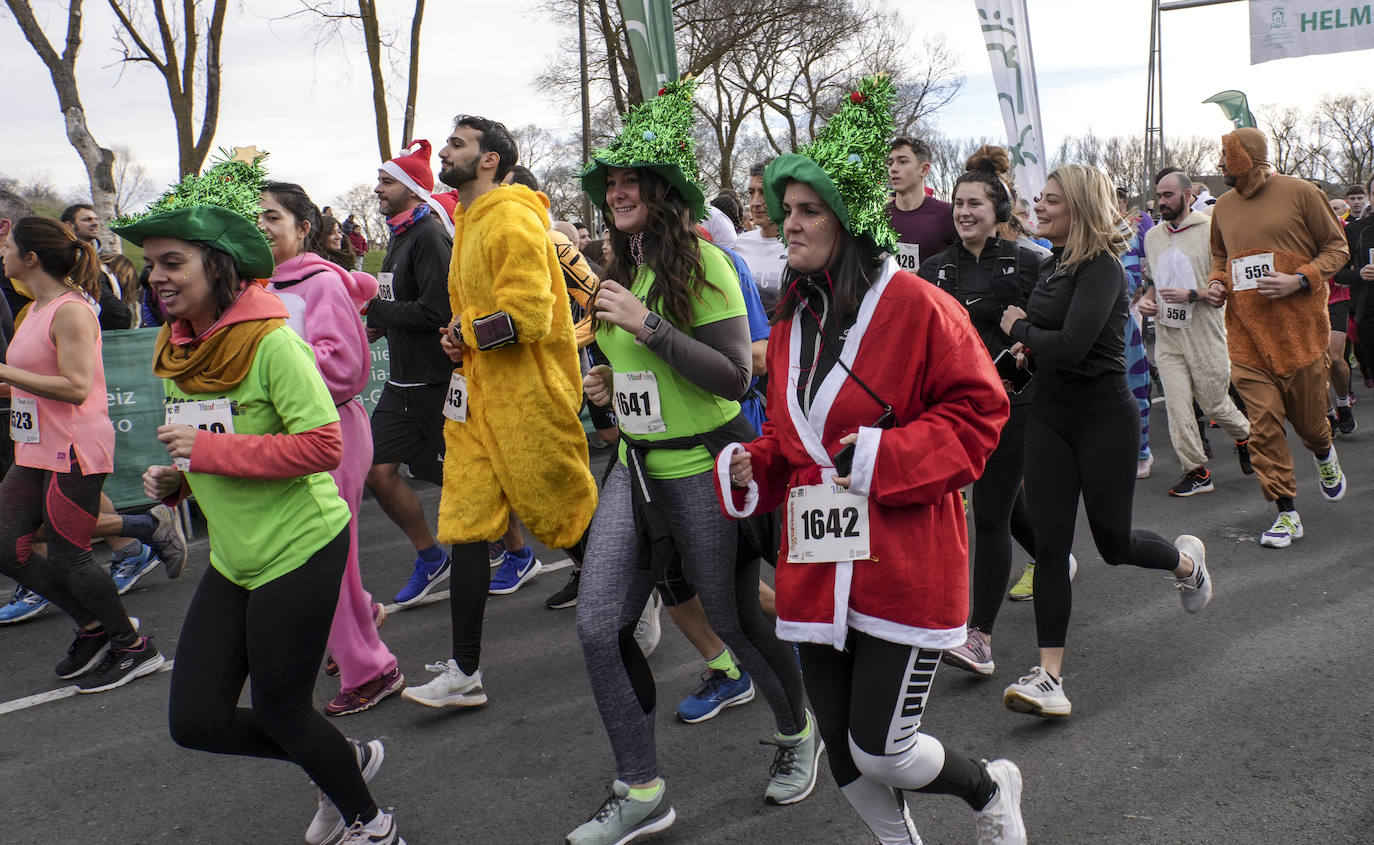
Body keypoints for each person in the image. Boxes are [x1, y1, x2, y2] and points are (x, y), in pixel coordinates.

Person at [721, 75, 1026, 845]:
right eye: (783, 208)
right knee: (847, 750)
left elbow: (981, 412)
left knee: (881, 744)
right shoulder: (793, 316)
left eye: (806, 210)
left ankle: (990, 787)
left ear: (848, 220)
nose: (786, 222)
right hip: (816, 562)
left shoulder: (922, 306)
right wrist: (755, 465)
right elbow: (799, 441)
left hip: (903, 554)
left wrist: (887, 453)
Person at [569, 78, 816, 845]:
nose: (616, 193)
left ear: (664, 190)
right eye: (609, 184)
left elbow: (732, 375)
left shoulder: (703, 267)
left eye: (630, 182)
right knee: (596, 622)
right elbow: (646, 381)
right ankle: (641, 788)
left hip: (708, 470)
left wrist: (645, 327)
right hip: (637, 471)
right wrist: (607, 387)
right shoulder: (618, 271)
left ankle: (796, 728)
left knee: (738, 623)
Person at [116, 203, 406, 845]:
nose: (156, 276)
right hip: (236, 554)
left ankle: (371, 824)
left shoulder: (272, 341)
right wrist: (178, 479)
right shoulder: (179, 346)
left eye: (172, 262)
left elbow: (322, 447)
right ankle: (339, 760)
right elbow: (212, 438)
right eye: (149, 265)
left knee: (281, 709)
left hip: (302, 543)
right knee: (196, 722)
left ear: (215, 266)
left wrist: (203, 453)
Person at [998, 164, 1214, 718]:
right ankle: (1049, 678)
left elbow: (1070, 345)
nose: (1038, 208)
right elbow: (1052, 347)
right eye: (1038, 200)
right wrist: (1027, 349)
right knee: (1049, 546)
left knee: (1114, 545)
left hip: (1104, 418)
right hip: (1048, 415)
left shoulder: (1102, 269)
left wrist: (1019, 329)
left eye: (1049, 201)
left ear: (1080, 208)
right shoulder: (1051, 266)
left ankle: (1187, 565)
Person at [401, 115, 598, 711]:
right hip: (475, 403)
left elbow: (531, 316)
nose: (449, 151)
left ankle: (635, 598)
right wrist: (457, 338)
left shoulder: (510, 215)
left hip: (529, 398)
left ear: (489, 159)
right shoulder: (466, 220)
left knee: (563, 514)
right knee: (464, 528)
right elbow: (475, 315)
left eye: (459, 144)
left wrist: (472, 334)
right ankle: (465, 672)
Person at [0, 215, 165, 692]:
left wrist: (7, 374)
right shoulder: (30, 310)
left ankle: (134, 648)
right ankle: (92, 629)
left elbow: (75, 387)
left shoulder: (72, 310)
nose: (2, 253)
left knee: (71, 553)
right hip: (35, 446)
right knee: (5, 543)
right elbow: (32, 379)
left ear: (30, 258)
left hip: (75, 445)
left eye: (8, 245)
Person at [260, 181, 403, 727]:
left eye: (273, 217)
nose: (262, 227)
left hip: (331, 432)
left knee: (326, 554)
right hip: (286, 436)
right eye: (254, 217)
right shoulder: (256, 285)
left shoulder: (319, 283)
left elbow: (345, 367)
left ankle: (370, 669)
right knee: (322, 552)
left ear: (304, 228)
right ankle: (359, 614)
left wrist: (269, 378)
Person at [916, 146, 1047, 677]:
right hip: (953, 409)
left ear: (998, 210)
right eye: (958, 203)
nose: (964, 212)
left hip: (1013, 404)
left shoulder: (1031, 263)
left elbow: (1050, 330)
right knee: (1003, 501)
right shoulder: (933, 270)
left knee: (990, 512)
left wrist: (1028, 353)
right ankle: (1052, 554)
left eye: (975, 203)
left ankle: (980, 637)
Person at [1204, 128, 1351, 549]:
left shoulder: (1301, 192)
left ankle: (1324, 454)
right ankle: (1286, 514)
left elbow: (1337, 249)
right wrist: (1217, 283)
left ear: (1245, 158)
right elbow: (1221, 257)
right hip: (1247, 335)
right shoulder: (1224, 207)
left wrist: (1299, 279)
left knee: (1308, 424)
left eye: (1225, 156)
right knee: (1264, 426)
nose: (1220, 165)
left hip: (1299, 331)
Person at [363, 140, 457, 605]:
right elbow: (401, 306)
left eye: (385, 182)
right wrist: (376, 325)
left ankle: (517, 551)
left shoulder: (430, 236)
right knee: (378, 471)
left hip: (437, 381)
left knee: (461, 476)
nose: (377, 189)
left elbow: (435, 310)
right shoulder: (398, 236)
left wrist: (375, 309)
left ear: (412, 189)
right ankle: (431, 557)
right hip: (400, 382)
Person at [1136, 170, 1253, 497]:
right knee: (1176, 405)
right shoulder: (1153, 237)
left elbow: (1225, 287)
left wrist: (1193, 295)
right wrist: (1147, 302)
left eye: (1168, 195)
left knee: (1215, 404)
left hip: (1205, 331)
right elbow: (1153, 284)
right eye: (1159, 196)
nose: (1162, 202)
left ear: (1188, 196)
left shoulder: (1211, 231)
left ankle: (1247, 436)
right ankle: (1196, 470)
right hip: (1167, 334)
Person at [887, 136, 957, 273]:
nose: (893, 169)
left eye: (902, 161)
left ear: (924, 170)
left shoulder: (947, 214)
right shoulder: (878, 217)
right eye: (890, 163)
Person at [60, 204, 134, 331]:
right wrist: (121, 314)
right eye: (87, 220)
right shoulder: (63, 260)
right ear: (68, 225)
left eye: (95, 219)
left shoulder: (104, 260)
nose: (95, 223)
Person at [733, 159, 789, 313]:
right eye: (751, 192)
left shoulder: (797, 246)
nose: (755, 202)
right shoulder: (740, 244)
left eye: (764, 192)